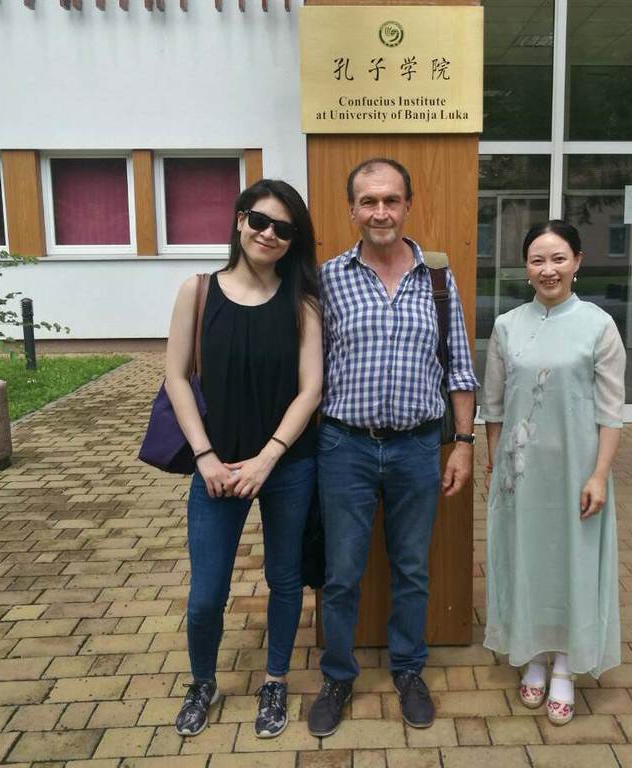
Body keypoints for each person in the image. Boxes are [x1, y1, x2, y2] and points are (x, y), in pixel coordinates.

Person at [308, 158, 479, 737]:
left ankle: (408, 670)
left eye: (390, 200)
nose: (380, 212)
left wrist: (463, 444)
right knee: (341, 573)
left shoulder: (437, 278)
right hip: (344, 447)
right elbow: (308, 368)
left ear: (407, 206)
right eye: (368, 201)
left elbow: (459, 368)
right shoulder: (328, 279)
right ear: (351, 210)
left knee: (411, 569)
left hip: (416, 449)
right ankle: (338, 676)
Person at [164, 179, 323, 739]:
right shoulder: (197, 291)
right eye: (260, 221)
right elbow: (176, 377)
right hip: (217, 468)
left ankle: (275, 680)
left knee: (285, 579)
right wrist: (205, 456)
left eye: (284, 228)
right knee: (207, 593)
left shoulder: (303, 303)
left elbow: (310, 389)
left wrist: (267, 459)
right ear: (239, 220)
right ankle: (202, 682)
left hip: (287, 466)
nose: (269, 234)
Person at [482, 220, 625, 726]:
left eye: (559, 258)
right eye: (538, 260)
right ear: (526, 268)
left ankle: (566, 663)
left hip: (577, 471)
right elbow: (493, 407)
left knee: (573, 562)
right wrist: (496, 464)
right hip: (520, 475)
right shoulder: (506, 326)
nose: (549, 269)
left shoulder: (598, 326)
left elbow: (611, 412)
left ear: (577, 262)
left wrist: (599, 475)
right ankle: (533, 656)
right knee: (525, 560)